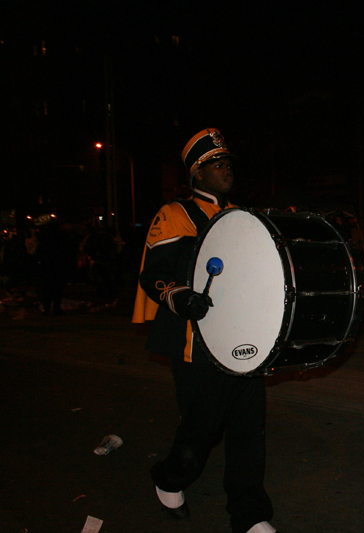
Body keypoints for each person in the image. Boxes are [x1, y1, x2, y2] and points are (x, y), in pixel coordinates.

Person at [132, 128, 278, 533]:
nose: (226, 168)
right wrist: (178, 294)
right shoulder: (176, 214)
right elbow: (154, 274)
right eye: (216, 163)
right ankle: (168, 477)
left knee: (249, 433)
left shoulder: (241, 216)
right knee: (202, 431)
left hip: (244, 344)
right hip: (196, 346)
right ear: (197, 174)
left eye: (228, 161)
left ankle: (249, 515)